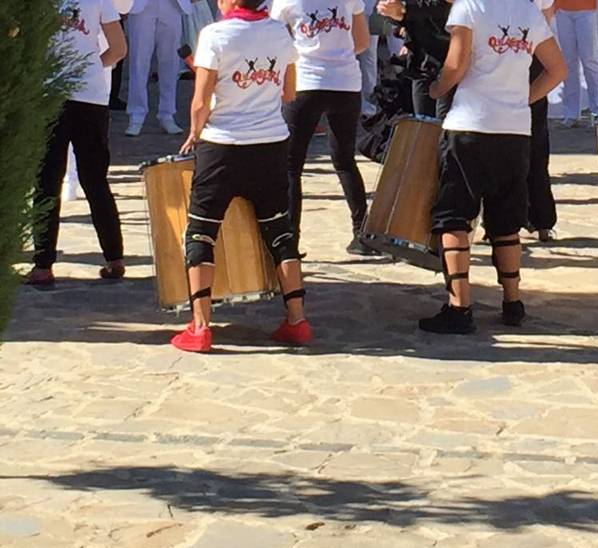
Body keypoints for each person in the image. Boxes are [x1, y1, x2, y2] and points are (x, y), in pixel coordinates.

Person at [418, 0, 567, 334]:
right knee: (505, 219)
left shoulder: (469, 8)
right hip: (514, 130)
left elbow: (456, 65)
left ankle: (460, 307)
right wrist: (522, 98)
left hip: (470, 124)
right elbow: (558, 70)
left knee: (453, 216)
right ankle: (513, 302)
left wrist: (436, 88)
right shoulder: (528, 11)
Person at [172, 0, 312, 352]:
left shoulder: (215, 35)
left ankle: (201, 326)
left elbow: (201, 100)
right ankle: (297, 320)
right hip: (270, 143)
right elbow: (289, 92)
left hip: (222, 145)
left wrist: (193, 132)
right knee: (280, 231)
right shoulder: (280, 33)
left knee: (201, 231)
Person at [27, 0, 128, 288]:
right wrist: (92, 68)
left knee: (47, 181)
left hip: (50, 94)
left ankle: (43, 265)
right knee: (95, 180)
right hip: (91, 97)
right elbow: (119, 48)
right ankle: (114, 257)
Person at [270, 0, 374, 256]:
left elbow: (274, 40)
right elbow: (362, 42)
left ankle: (290, 239)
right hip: (345, 82)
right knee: (344, 160)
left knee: (291, 165)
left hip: (306, 81)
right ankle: (362, 232)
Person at [125, 0, 194, 136]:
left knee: (171, 62)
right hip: (141, 5)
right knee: (139, 60)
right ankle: (136, 115)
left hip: (171, 4)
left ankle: (167, 113)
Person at [376, 0, 453, 118]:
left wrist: (406, 10)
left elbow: (448, 7)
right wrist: (396, 16)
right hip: (422, 63)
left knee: (445, 123)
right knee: (422, 123)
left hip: (451, 61)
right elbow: (399, 18)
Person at [526, 0, 559, 242]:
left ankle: (540, 218)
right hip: (506, 52)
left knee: (535, 142)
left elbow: (546, 14)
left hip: (531, 52)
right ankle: (498, 218)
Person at [554, 0, 598, 127]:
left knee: (590, 60)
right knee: (568, 62)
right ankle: (571, 113)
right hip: (562, 10)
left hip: (589, 10)